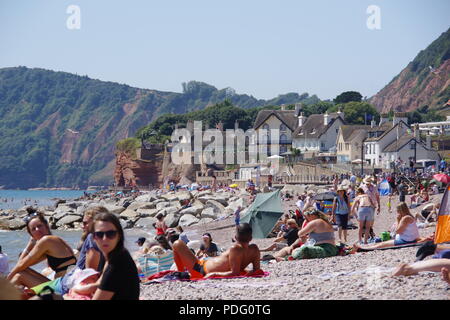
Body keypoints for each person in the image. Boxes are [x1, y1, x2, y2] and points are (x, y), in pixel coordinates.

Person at [7, 212, 77, 289]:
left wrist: (6, 280)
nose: (37, 230)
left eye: (40, 226)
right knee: (22, 271)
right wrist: (30, 244)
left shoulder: (47, 240)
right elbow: (22, 265)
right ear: (32, 235)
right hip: (63, 283)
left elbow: (21, 264)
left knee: (19, 276)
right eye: (33, 229)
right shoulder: (51, 243)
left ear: (46, 226)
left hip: (64, 286)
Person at [172, 223, 261, 279]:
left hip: (200, 270)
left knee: (177, 243)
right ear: (251, 238)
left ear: (236, 237)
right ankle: (181, 272)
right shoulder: (255, 249)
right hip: (204, 264)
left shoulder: (235, 249)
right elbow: (257, 270)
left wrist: (214, 274)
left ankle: (181, 273)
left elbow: (235, 273)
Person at [90, 212, 140, 300]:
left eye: (110, 234)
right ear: (94, 237)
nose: (105, 239)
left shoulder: (118, 264)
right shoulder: (115, 254)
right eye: (99, 235)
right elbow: (101, 284)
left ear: (119, 236)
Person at [354, 202, 420, 251]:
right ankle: (364, 247)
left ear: (400, 210)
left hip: (406, 240)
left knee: (382, 244)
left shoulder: (405, 218)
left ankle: (364, 249)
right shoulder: (409, 217)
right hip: (410, 238)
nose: (397, 212)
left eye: (397, 210)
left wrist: (397, 220)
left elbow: (398, 231)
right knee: (382, 243)